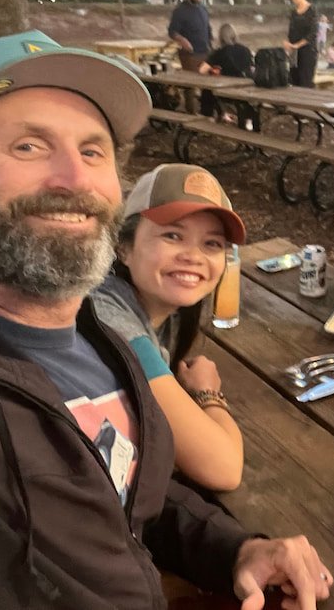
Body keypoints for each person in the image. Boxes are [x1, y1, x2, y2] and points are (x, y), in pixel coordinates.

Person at [0, 30, 333, 607]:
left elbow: (122, 485)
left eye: (92, 150)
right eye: (29, 146)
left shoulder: (98, 336)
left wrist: (233, 549)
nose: (74, 179)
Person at [91, 163, 246, 492]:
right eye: (173, 236)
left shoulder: (160, 311)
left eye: (212, 244)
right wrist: (207, 394)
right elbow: (224, 469)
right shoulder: (111, 320)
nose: (193, 256)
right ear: (124, 248)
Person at [200, 23, 259, 130]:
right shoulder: (245, 50)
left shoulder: (219, 52)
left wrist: (213, 70)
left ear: (221, 37)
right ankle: (248, 119)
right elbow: (252, 68)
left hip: (227, 93)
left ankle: (207, 116)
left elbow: (202, 70)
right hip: (247, 90)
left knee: (207, 89)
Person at [168, 0, 213, 72]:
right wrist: (183, 40)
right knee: (194, 82)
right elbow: (172, 31)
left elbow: (208, 29)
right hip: (190, 54)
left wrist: (211, 46)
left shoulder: (203, 9)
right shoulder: (180, 11)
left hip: (205, 53)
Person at [283, 0, 318, 88]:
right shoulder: (293, 13)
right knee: (294, 81)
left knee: (305, 82)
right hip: (294, 54)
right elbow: (291, 31)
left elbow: (313, 33)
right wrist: (288, 44)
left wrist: (298, 45)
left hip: (308, 52)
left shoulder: (311, 10)